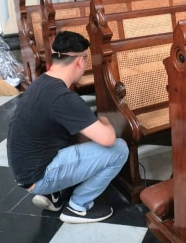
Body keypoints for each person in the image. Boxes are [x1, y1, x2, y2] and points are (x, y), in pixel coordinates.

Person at [7, 31, 128, 224]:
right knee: (119, 149)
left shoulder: (41, 82)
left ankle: (53, 195)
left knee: (74, 134)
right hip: (38, 176)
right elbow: (108, 139)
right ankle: (78, 206)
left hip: (25, 170)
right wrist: (105, 119)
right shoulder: (62, 97)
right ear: (80, 61)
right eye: (85, 60)